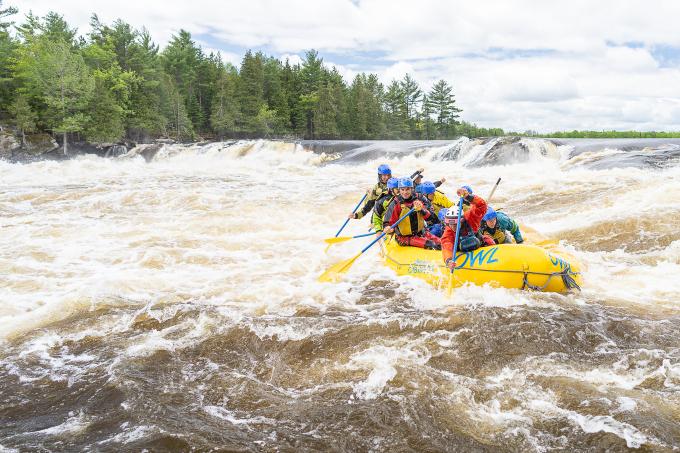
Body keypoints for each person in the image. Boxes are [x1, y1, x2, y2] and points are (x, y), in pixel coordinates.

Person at [441, 187, 494, 269]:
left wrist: (468, 196)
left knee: (488, 239)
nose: (452, 227)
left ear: (461, 220)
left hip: (478, 242)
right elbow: (447, 245)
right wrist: (448, 260)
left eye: (455, 224)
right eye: (449, 224)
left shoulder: (471, 217)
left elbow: (482, 205)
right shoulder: (449, 230)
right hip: (461, 250)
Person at [384, 177, 441, 250]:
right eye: (402, 189)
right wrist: (388, 228)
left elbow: (432, 218)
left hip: (422, 232)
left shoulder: (420, 198)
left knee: (441, 242)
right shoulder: (395, 203)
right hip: (404, 238)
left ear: (412, 189)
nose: (405, 192)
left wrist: (422, 210)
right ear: (399, 190)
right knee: (432, 244)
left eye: (407, 189)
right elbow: (387, 223)